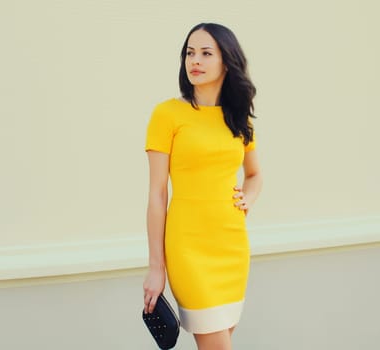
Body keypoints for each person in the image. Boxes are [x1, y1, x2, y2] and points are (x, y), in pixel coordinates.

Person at [143, 22, 262, 350]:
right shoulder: (167, 114)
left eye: (206, 53)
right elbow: (157, 193)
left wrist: (246, 200)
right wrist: (157, 268)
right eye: (189, 53)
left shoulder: (238, 119)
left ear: (227, 62)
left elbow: (254, 175)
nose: (194, 60)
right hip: (188, 249)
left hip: (231, 246)